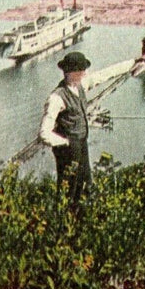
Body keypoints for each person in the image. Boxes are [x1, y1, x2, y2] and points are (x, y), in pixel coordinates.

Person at [39, 51, 99, 212]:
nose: (84, 73)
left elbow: (104, 75)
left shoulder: (80, 86)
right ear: (71, 72)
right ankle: (65, 223)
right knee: (69, 188)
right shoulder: (56, 98)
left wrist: (135, 61)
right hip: (68, 149)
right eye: (81, 70)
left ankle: (82, 221)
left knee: (85, 183)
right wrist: (65, 142)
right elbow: (44, 133)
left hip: (81, 144)